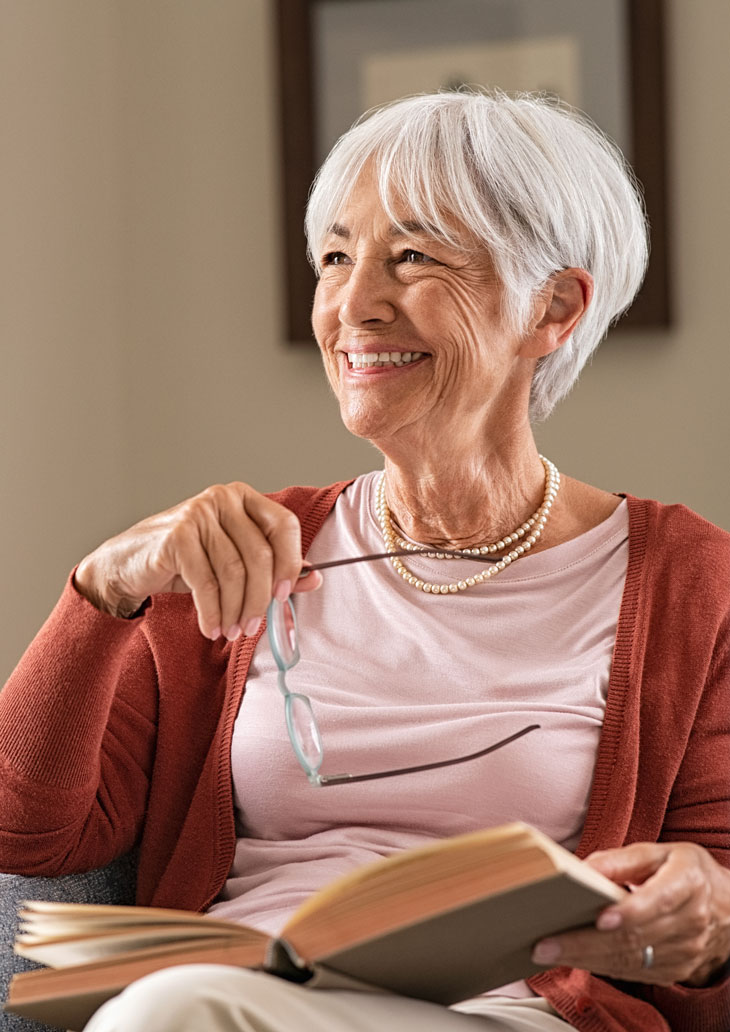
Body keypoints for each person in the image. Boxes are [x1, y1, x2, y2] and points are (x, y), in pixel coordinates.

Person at [1, 90, 729, 1032]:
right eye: (336, 258)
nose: (354, 305)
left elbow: (708, 921)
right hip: (241, 994)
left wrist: (707, 919)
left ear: (554, 306)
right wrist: (102, 589)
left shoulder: (688, 582)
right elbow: (27, 837)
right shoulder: (240, 554)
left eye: (414, 258)